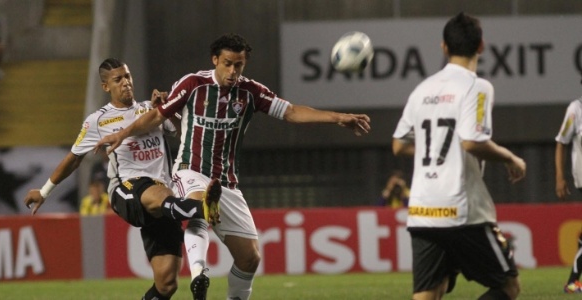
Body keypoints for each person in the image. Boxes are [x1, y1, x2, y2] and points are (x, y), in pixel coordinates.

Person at [95, 33, 371, 300]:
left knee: (250, 257)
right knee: (197, 204)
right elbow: (157, 116)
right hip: (190, 169)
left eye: (239, 65)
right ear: (215, 60)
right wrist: (124, 133)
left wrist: (338, 117)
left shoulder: (251, 92)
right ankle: (198, 275)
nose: (233, 71)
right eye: (228, 63)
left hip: (226, 181)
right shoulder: (193, 84)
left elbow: (291, 111)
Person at [23, 58, 221, 300]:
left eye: (127, 76)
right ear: (106, 87)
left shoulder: (152, 110)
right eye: (118, 79)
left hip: (164, 202)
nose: (126, 83)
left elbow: (184, 135)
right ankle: (201, 208)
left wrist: (170, 108)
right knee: (161, 195)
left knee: (167, 283)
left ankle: (195, 209)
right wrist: (44, 192)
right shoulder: (98, 121)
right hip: (127, 191)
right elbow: (74, 158)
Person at [392, 12, 526, 300]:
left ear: (444, 47)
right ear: (481, 46)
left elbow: (399, 145)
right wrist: (511, 159)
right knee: (508, 287)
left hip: (422, 210)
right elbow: (472, 142)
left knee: (428, 294)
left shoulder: (422, 90)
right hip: (461, 210)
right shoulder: (477, 86)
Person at [554, 95, 582, 293]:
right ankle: (572, 282)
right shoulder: (576, 109)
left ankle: (573, 282)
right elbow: (561, 142)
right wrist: (560, 177)